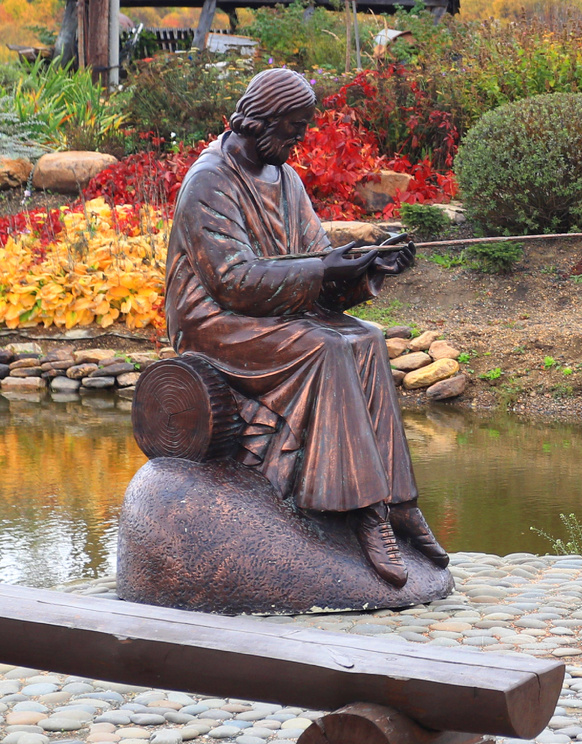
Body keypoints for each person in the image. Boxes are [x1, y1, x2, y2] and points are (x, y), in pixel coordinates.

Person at [163, 68, 447, 588]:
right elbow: (233, 281)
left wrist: (367, 267)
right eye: (293, 129)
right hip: (215, 321)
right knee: (325, 349)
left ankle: (399, 503)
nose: (298, 141)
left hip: (270, 309)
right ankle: (362, 512)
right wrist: (323, 269)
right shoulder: (210, 181)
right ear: (262, 121)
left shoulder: (286, 179)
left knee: (366, 337)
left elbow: (316, 260)